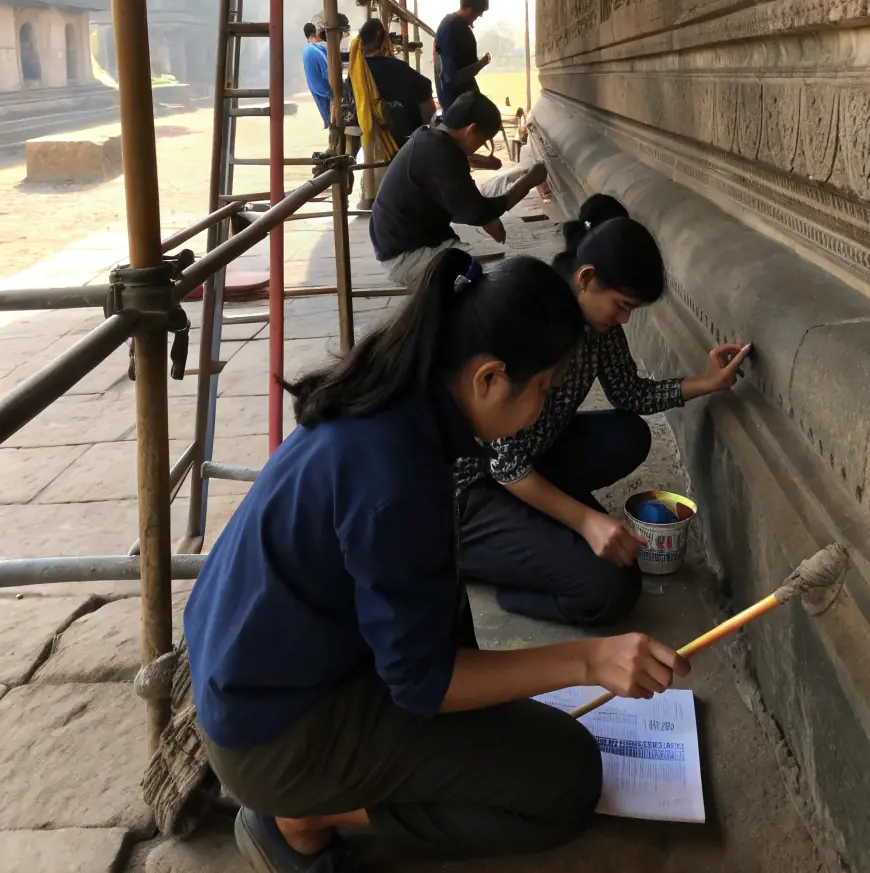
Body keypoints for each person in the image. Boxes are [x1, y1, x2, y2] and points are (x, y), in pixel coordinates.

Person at [183, 249, 689, 872]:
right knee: (566, 780)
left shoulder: (394, 405)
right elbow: (423, 683)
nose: (546, 402)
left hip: (267, 675)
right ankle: (301, 816)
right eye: (543, 388)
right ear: (488, 377)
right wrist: (589, 659)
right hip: (276, 734)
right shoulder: (397, 475)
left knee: (507, 715)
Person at [456, 196, 752, 629]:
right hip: (473, 487)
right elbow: (505, 461)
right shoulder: (532, 323)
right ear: (586, 278)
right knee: (610, 589)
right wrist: (586, 521)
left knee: (629, 435)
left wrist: (706, 382)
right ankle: (491, 568)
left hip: (527, 459)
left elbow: (629, 394)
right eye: (622, 305)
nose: (625, 320)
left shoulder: (597, 327)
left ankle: (533, 525)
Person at [369, 91, 547, 286]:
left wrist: (484, 215)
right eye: (483, 140)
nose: (480, 146)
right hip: (405, 255)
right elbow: (475, 212)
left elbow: (463, 202)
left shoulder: (431, 135)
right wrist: (529, 180)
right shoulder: (441, 153)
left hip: (401, 241)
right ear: (470, 130)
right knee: (483, 283)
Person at [345, 17, 434, 146]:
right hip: (405, 143)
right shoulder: (398, 68)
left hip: (366, 143)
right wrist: (427, 130)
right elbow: (425, 88)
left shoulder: (354, 74)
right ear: (380, 37)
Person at [433, 0, 491, 111]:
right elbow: (451, 78)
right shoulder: (454, 28)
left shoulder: (450, 24)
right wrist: (481, 63)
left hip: (454, 101)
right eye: (478, 13)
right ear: (470, 10)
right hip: (458, 103)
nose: (479, 16)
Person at [301, 22, 332, 129]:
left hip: (316, 90)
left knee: (330, 121)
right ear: (315, 33)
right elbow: (329, 72)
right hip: (327, 92)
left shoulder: (305, 50)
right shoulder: (316, 50)